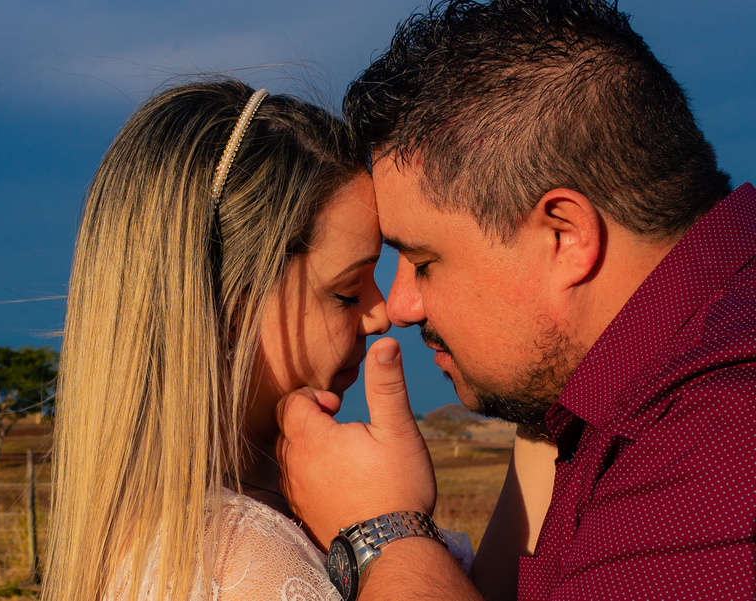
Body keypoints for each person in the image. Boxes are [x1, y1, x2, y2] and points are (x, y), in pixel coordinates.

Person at [277, 1, 756, 600]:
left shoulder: (717, 451)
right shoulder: (645, 397)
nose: (399, 308)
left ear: (564, 238)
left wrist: (382, 531)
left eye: (423, 262)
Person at [43, 80, 472, 601]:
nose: (381, 314)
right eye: (345, 291)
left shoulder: (199, 529)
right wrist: (386, 525)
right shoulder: (239, 559)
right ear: (233, 315)